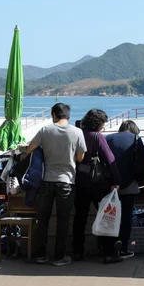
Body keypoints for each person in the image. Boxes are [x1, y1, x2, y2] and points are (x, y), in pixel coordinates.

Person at [25, 103, 87, 266]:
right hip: (66, 181)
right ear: (68, 116)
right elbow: (80, 158)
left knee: (43, 219)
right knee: (63, 220)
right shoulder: (77, 131)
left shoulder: (46, 130)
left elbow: (29, 149)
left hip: (46, 181)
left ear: (53, 115)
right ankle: (59, 257)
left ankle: (41, 255)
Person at [73, 109, 122, 264]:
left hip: (79, 181)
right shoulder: (97, 137)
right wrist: (116, 180)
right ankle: (108, 252)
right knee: (104, 217)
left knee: (79, 217)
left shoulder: (78, 134)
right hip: (98, 184)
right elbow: (110, 158)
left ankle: (77, 251)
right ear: (98, 123)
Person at [106, 120, 144, 259]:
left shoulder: (108, 138)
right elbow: (142, 161)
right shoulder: (136, 139)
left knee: (110, 217)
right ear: (134, 129)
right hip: (130, 185)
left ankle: (108, 248)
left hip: (110, 185)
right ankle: (123, 247)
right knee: (127, 217)